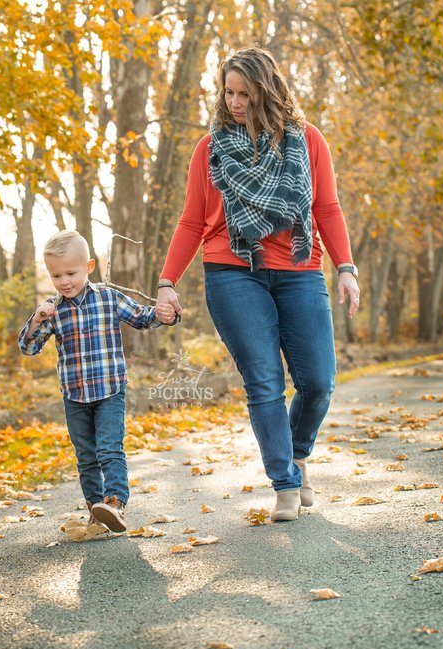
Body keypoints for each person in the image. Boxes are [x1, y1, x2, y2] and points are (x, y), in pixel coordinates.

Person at [156, 47, 361, 522]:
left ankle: (297, 453)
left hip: (300, 269)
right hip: (232, 270)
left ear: (267, 93)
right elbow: (192, 221)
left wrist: (346, 267)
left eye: (245, 94)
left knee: (318, 382)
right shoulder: (210, 149)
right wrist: (167, 281)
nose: (234, 102)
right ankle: (285, 484)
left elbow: (326, 208)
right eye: (228, 92)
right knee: (264, 380)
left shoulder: (307, 140)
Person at [19, 230, 178, 532]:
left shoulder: (108, 297)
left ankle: (115, 503)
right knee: (86, 457)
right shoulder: (52, 310)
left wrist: (163, 314)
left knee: (109, 449)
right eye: (56, 275)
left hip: (109, 390)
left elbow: (142, 317)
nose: (64, 281)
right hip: (75, 395)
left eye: (71, 273)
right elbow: (28, 348)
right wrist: (37, 320)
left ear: (89, 267)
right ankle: (97, 511)